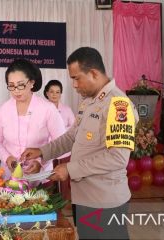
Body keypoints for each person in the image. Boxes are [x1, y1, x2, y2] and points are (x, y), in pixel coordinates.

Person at [21, 47, 139, 239]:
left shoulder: (118, 105)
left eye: (76, 78)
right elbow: (71, 137)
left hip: (104, 201)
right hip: (84, 197)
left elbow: (117, 158)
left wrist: (70, 169)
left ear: (93, 73)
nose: (74, 85)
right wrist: (41, 151)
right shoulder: (89, 102)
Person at [0, 58, 66, 179]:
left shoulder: (48, 109)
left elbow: (61, 142)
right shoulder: (3, 110)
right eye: (11, 86)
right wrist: (7, 158)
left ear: (31, 82)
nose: (16, 91)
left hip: (39, 176)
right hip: (10, 175)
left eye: (21, 85)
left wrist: (40, 161)